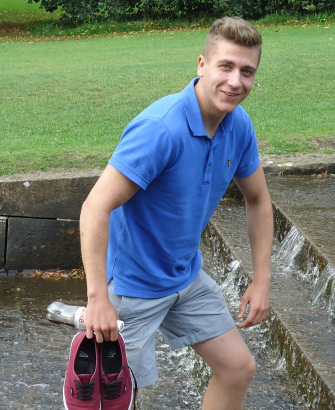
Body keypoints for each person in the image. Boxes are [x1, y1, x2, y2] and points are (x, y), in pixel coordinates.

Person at [79, 16, 273, 410]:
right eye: (226, 66)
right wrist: (98, 298)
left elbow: (258, 199)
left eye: (247, 71)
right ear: (202, 65)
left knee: (238, 368)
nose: (236, 81)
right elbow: (95, 206)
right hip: (131, 288)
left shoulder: (239, 126)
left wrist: (262, 280)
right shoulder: (160, 129)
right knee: (113, 401)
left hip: (184, 277)